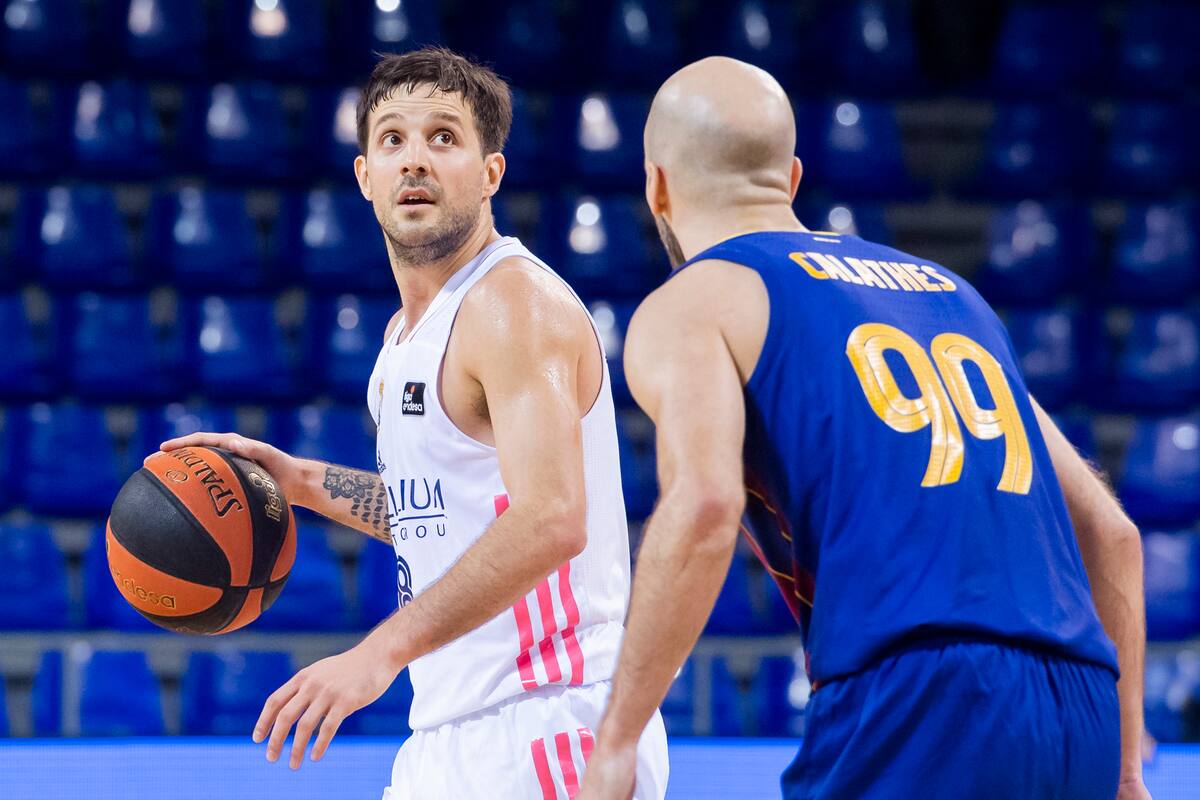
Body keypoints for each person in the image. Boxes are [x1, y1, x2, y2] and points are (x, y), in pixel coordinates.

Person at [578, 57, 1150, 800]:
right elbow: (1114, 536)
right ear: (791, 178)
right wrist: (1127, 767)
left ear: (657, 186)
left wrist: (618, 741)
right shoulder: (956, 297)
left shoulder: (694, 301)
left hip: (917, 692)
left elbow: (706, 506)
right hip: (1079, 705)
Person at [159, 47, 667, 800]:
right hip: (448, 734)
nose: (415, 161)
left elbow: (554, 518)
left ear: (491, 172)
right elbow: (447, 522)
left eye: (444, 137)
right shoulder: (401, 343)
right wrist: (302, 482)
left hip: (550, 717)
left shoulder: (510, 303)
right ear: (365, 177)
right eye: (392, 139)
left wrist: (378, 655)